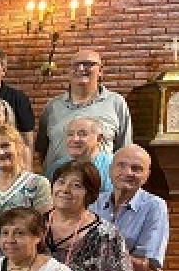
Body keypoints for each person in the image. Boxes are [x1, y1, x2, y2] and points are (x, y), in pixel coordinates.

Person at [36, 49, 133, 177]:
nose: (81, 69)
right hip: (57, 181)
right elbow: (42, 149)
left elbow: (124, 149)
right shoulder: (53, 106)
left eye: (88, 64)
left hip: (102, 184)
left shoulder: (116, 103)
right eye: (75, 65)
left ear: (100, 71)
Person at [0, 124, 53, 261]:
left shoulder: (38, 184)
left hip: (28, 262)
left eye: (5, 146)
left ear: (19, 147)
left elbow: (44, 231)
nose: (0, 152)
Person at [45, 116, 113, 192]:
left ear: (99, 138)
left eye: (82, 134)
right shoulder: (56, 167)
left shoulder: (113, 167)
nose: (75, 139)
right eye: (70, 134)